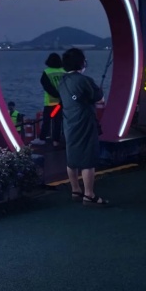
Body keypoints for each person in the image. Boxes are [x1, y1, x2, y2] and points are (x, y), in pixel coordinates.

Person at [57, 47, 108, 206]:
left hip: (69, 123)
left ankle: (75, 190)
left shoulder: (62, 81)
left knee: (72, 158)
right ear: (81, 63)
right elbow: (100, 99)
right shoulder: (84, 80)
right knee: (88, 159)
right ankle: (89, 195)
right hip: (85, 123)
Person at [40, 53, 64, 146]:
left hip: (50, 102)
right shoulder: (64, 71)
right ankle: (56, 141)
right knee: (58, 122)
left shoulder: (47, 72)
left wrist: (55, 94)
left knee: (47, 121)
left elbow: (47, 86)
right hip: (61, 103)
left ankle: (42, 139)